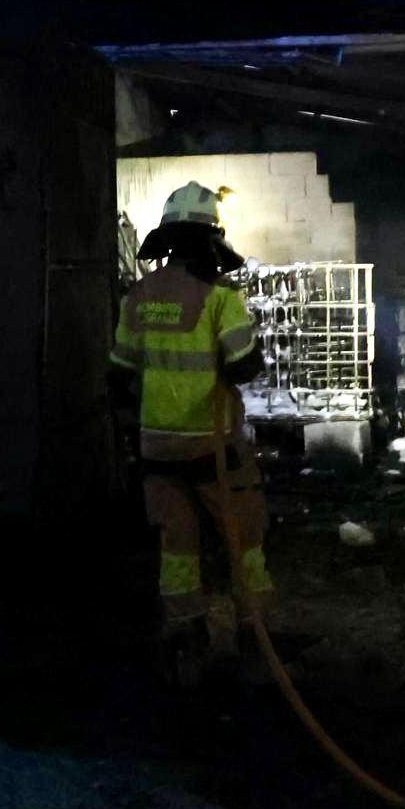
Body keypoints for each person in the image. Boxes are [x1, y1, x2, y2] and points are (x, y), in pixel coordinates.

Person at [109, 181, 275, 686]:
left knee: (176, 546)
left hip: (156, 449)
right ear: (210, 238)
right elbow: (244, 367)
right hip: (215, 449)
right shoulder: (222, 298)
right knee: (243, 537)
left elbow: (118, 373)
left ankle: (186, 640)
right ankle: (254, 637)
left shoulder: (139, 295)